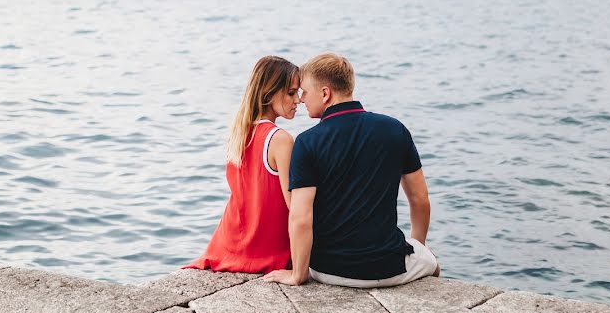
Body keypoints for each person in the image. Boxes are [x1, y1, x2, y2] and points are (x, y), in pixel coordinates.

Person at [264, 52, 439, 287]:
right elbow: (420, 199)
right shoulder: (395, 129)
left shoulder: (307, 142)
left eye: (305, 91)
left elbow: (301, 217)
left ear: (325, 93)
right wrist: (418, 246)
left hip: (328, 270)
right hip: (390, 267)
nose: (302, 99)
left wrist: (298, 274)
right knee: (433, 264)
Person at [185, 56, 300, 273]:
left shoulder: (239, 132)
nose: (299, 100)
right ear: (269, 93)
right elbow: (294, 206)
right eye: (291, 93)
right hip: (265, 251)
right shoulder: (280, 139)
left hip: (228, 245)